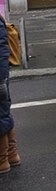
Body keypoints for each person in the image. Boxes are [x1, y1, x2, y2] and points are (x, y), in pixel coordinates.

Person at [1, 14, 20, 174]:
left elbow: (2, 51)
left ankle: (2, 161)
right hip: (2, 76)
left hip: (0, 77)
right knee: (4, 113)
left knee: (1, 115)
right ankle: (12, 155)